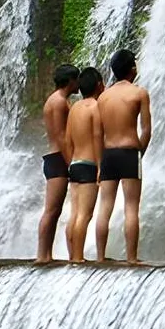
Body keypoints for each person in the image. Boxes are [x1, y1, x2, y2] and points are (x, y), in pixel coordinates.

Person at [95, 48, 153, 263]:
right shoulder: (139, 93)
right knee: (131, 207)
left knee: (105, 207)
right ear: (132, 69)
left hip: (108, 153)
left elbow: (99, 133)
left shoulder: (103, 97)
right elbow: (146, 130)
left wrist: (101, 162)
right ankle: (131, 258)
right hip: (130, 152)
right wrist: (140, 154)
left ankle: (100, 257)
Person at [34, 63, 79, 263]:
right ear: (70, 81)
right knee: (52, 210)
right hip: (59, 158)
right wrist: (71, 163)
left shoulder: (53, 100)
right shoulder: (60, 102)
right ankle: (42, 255)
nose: (79, 83)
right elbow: (61, 137)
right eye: (76, 79)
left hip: (53, 158)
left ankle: (45, 254)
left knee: (53, 210)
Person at [63, 67, 105, 263]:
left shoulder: (74, 108)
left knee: (74, 214)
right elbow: (97, 137)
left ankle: (72, 255)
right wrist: (100, 166)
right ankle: (78, 258)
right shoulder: (95, 107)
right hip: (89, 165)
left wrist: (70, 162)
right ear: (98, 85)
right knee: (84, 215)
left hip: (75, 164)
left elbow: (67, 140)